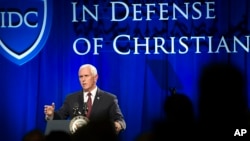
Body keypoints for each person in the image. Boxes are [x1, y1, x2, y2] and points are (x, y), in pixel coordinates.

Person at [44, 64, 126, 134]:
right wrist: (51, 115)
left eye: (86, 76)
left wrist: (118, 125)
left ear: (95, 77)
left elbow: (120, 120)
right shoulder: (71, 98)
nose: (83, 80)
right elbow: (60, 118)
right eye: (80, 77)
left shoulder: (109, 99)